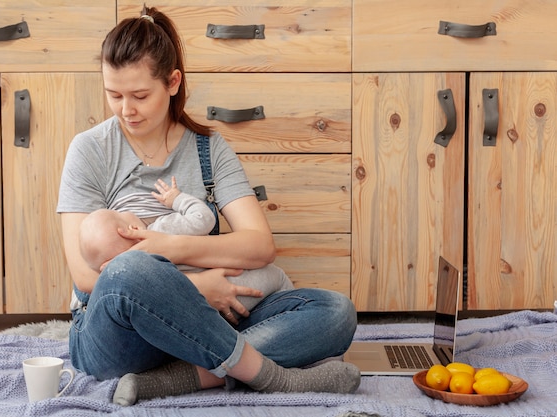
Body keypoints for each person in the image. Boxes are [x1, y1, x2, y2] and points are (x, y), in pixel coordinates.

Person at [57, 6, 360, 405]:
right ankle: (267, 375)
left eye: (140, 96)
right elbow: (85, 278)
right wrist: (197, 288)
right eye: (114, 95)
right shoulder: (91, 150)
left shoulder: (208, 150)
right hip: (120, 337)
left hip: (209, 325)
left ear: (172, 82)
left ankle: (181, 378)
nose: (125, 110)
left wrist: (168, 247)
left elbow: (259, 245)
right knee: (129, 269)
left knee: (335, 312)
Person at [78, 175, 294, 314]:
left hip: (194, 315)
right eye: (120, 214)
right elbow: (204, 219)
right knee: (278, 278)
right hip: (233, 288)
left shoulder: (132, 278)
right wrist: (177, 199)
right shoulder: (160, 230)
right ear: (132, 230)